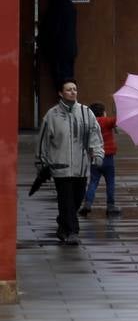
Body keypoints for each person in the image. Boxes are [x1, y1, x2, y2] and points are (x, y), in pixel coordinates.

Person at [36, 80, 103, 245]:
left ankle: (63, 224)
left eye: (74, 89)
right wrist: (41, 162)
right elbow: (43, 141)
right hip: (60, 166)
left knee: (77, 198)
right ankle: (73, 231)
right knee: (66, 199)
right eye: (68, 90)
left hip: (81, 167)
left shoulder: (86, 113)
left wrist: (98, 153)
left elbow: (95, 135)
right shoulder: (52, 116)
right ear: (61, 93)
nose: (73, 92)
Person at [37, 0, 78, 92]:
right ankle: (69, 106)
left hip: (57, 51)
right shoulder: (70, 5)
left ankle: (64, 107)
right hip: (70, 50)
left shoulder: (54, 6)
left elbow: (51, 29)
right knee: (68, 81)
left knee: (60, 83)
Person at [80, 102, 120, 216]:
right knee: (110, 182)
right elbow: (117, 120)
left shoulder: (90, 123)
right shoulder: (106, 121)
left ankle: (87, 204)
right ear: (103, 112)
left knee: (93, 182)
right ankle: (110, 206)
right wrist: (115, 106)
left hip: (94, 156)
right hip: (108, 158)